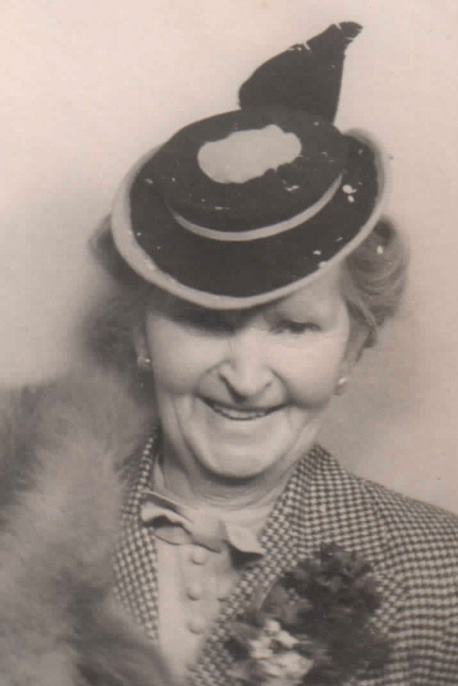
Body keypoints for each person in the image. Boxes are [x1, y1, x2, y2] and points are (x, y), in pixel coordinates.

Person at [1, 21, 457, 686]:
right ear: (141, 335)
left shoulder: (442, 576)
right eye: (206, 323)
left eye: (293, 328)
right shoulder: (18, 520)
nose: (245, 379)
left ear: (351, 348)